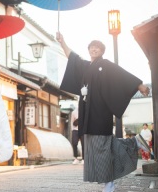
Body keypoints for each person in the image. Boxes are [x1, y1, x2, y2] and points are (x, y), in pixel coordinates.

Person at [56, 32, 151, 192]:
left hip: (101, 111)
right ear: (89, 50)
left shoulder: (105, 65)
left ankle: (109, 183)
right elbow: (71, 56)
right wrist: (62, 41)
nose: (94, 49)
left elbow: (122, 75)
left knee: (102, 146)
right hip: (87, 112)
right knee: (96, 146)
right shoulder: (85, 66)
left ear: (102, 51)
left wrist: (139, 85)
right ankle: (135, 142)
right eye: (92, 47)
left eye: (98, 48)